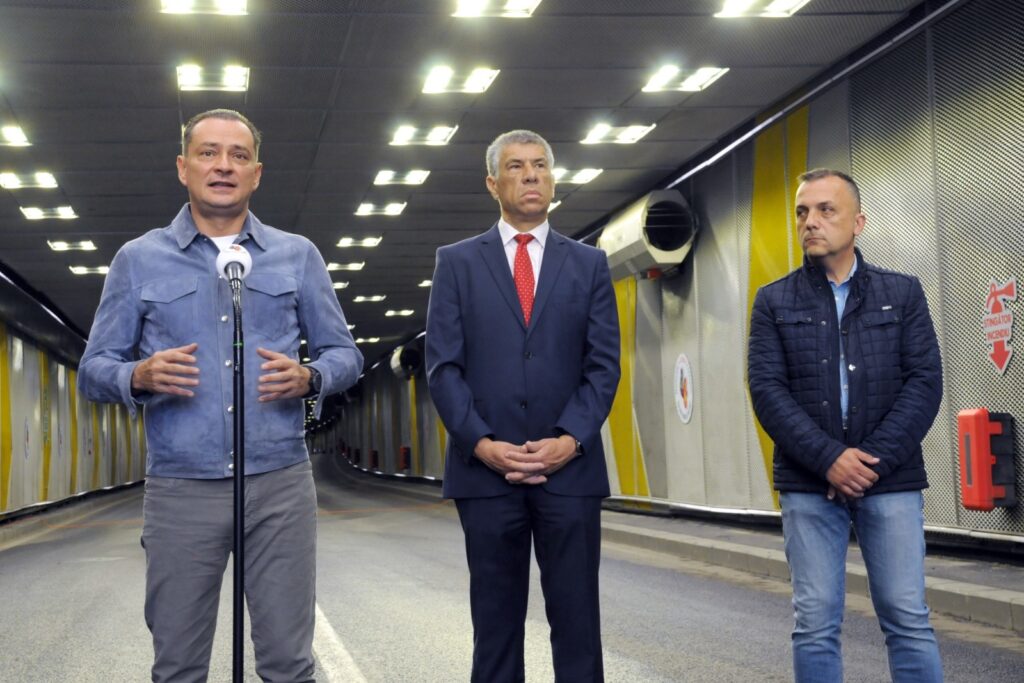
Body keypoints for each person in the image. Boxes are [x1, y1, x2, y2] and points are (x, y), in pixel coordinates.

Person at [78, 109, 363, 682]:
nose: (223, 166)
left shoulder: (297, 255)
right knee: (178, 666)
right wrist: (138, 375)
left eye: (238, 155)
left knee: (289, 663)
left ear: (256, 173)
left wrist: (311, 377)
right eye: (208, 153)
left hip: (279, 485)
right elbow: (93, 370)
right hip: (181, 488)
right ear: (183, 168)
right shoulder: (138, 259)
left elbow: (346, 354)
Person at [425, 129, 620, 682]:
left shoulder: (589, 264)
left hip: (570, 473)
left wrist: (569, 439)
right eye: (515, 166)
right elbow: (443, 368)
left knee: (578, 623)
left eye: (540, 165)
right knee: (495, 626)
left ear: (553, 181)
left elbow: (603, 366)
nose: (531, 175)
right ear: (493, 183)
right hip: (486, 476)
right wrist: (482, 444)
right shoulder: (456, 263)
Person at [747, 168, 944, 682]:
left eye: (825, 210)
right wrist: (829, 459)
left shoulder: (902, 293)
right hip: (809, 482)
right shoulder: (773, 301)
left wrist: (868, 462)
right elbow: (768, 392)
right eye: (802, 212)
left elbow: (924, 383)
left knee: (907, 617)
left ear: (858, 222)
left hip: (890, 478)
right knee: (815, 623)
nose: (810, 222)